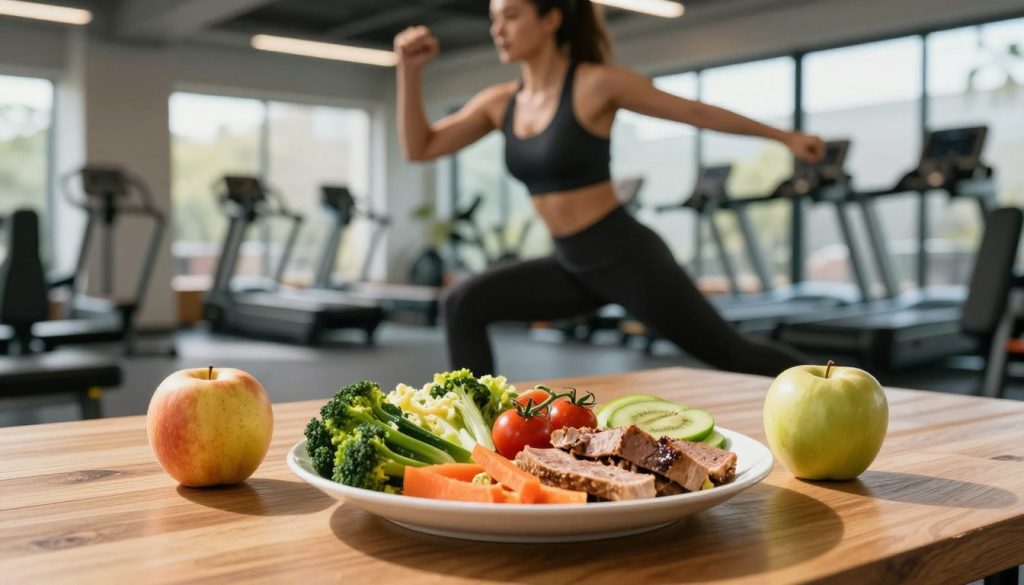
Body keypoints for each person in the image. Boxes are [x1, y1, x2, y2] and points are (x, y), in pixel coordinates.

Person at [395, 0, 821, 377]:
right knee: (463, 303)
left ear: (551, 20)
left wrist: (783, 137)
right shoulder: (498, 102)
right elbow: (421, 147)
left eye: (511, 15)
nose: (497, 30)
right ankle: (478, 435)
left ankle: (842, 384)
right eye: (493, 19)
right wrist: (409, 72)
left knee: (734, 354)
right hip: (569, 265)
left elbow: (693, 111)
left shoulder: (595, 84)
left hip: (625, 257)